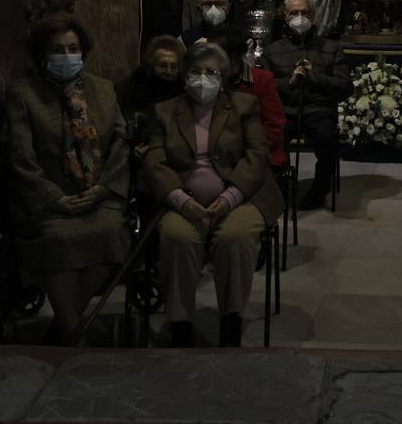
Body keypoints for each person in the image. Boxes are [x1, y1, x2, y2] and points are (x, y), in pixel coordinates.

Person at [142, 43, 283, 348]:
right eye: (196, 71)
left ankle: (231, 321)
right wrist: (180, 200)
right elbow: (155, 160)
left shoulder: (243, 106)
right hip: (184, 200)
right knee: (178, 237)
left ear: (222, 77)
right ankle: (180, 323)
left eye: (211, 72)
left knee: (235, 237)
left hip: (241, 197)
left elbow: (257, 156)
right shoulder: (165, 111)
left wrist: (230, 197)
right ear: (184, 75)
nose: (203, 79)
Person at [4, 14, 130, 344]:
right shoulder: (24, 94)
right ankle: (74, 331)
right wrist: (53, 197)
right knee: (59, 239)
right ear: (42, 54)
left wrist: (102, 189)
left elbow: (120, 142)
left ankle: (64, 327)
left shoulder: (102, 90)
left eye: (73, 48)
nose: (66, 55)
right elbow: (21, 156)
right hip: (51, 199)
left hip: (97, 195)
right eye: (57, 49)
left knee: (108, 232)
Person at [264, 0, 352, 210]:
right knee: (272, 136)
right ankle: (279, 184)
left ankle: (321, 188)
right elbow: (266, 89)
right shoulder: (273, 50)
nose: (299, 17)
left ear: (313, 15)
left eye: (304, 12)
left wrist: (314, 76)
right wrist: (290, 82)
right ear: (285, 17)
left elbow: (345, 87)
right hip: (286, 110)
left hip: (319, 109)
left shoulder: (331, 48)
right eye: (294, 13)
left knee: (326, 137)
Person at [215, 25, 288, 167]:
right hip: (219, 152)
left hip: (257, 152)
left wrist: (250, 153)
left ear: (236, 56)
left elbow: (273, 126)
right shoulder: (211, 78)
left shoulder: (262, 80)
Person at [115, 35, 185, 141]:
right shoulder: (130, 89)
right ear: (150, 66)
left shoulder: (183, 93)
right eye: (162, 66)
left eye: (174, 67)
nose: (168, 72)